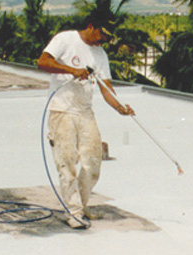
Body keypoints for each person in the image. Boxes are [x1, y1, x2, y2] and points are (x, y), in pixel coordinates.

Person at [37, 10, 135, 229]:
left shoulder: (100, 54)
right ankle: (73, 212)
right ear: (91, 26)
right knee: (67, 163)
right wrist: (72, 70)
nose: (103, 40)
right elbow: (42, 61)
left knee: (92, 163)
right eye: (102, 34)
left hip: (85, 112)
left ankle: (81, 205)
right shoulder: (66, 38)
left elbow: (106, 87)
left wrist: (120, 107)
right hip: (61, 111)